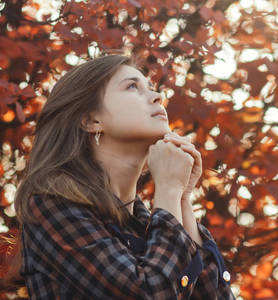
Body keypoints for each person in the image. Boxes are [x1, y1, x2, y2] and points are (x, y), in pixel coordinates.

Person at [8, 54, 236, 299]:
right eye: (132, 87)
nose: (158, 96)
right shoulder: (52, 207)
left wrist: (182, 197)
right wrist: (169, 188)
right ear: (92, 120)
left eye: (149, 87)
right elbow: (148, 292)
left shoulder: (149, 226)